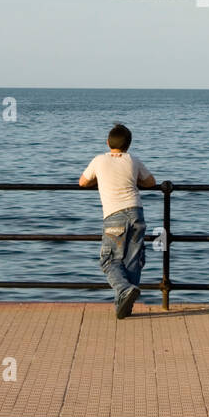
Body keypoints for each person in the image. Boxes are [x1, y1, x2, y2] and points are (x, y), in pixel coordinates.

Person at [79, 123, 156, 319]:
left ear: (107, 142)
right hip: (137, 211)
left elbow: (83, 181)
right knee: (132, 261)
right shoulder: (133, 160)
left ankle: (124, 289)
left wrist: (100, 179)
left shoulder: (99, 160)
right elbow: (151, 182)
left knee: (108, 260)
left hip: (114, 214)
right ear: (128, 145)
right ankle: (124, 307)